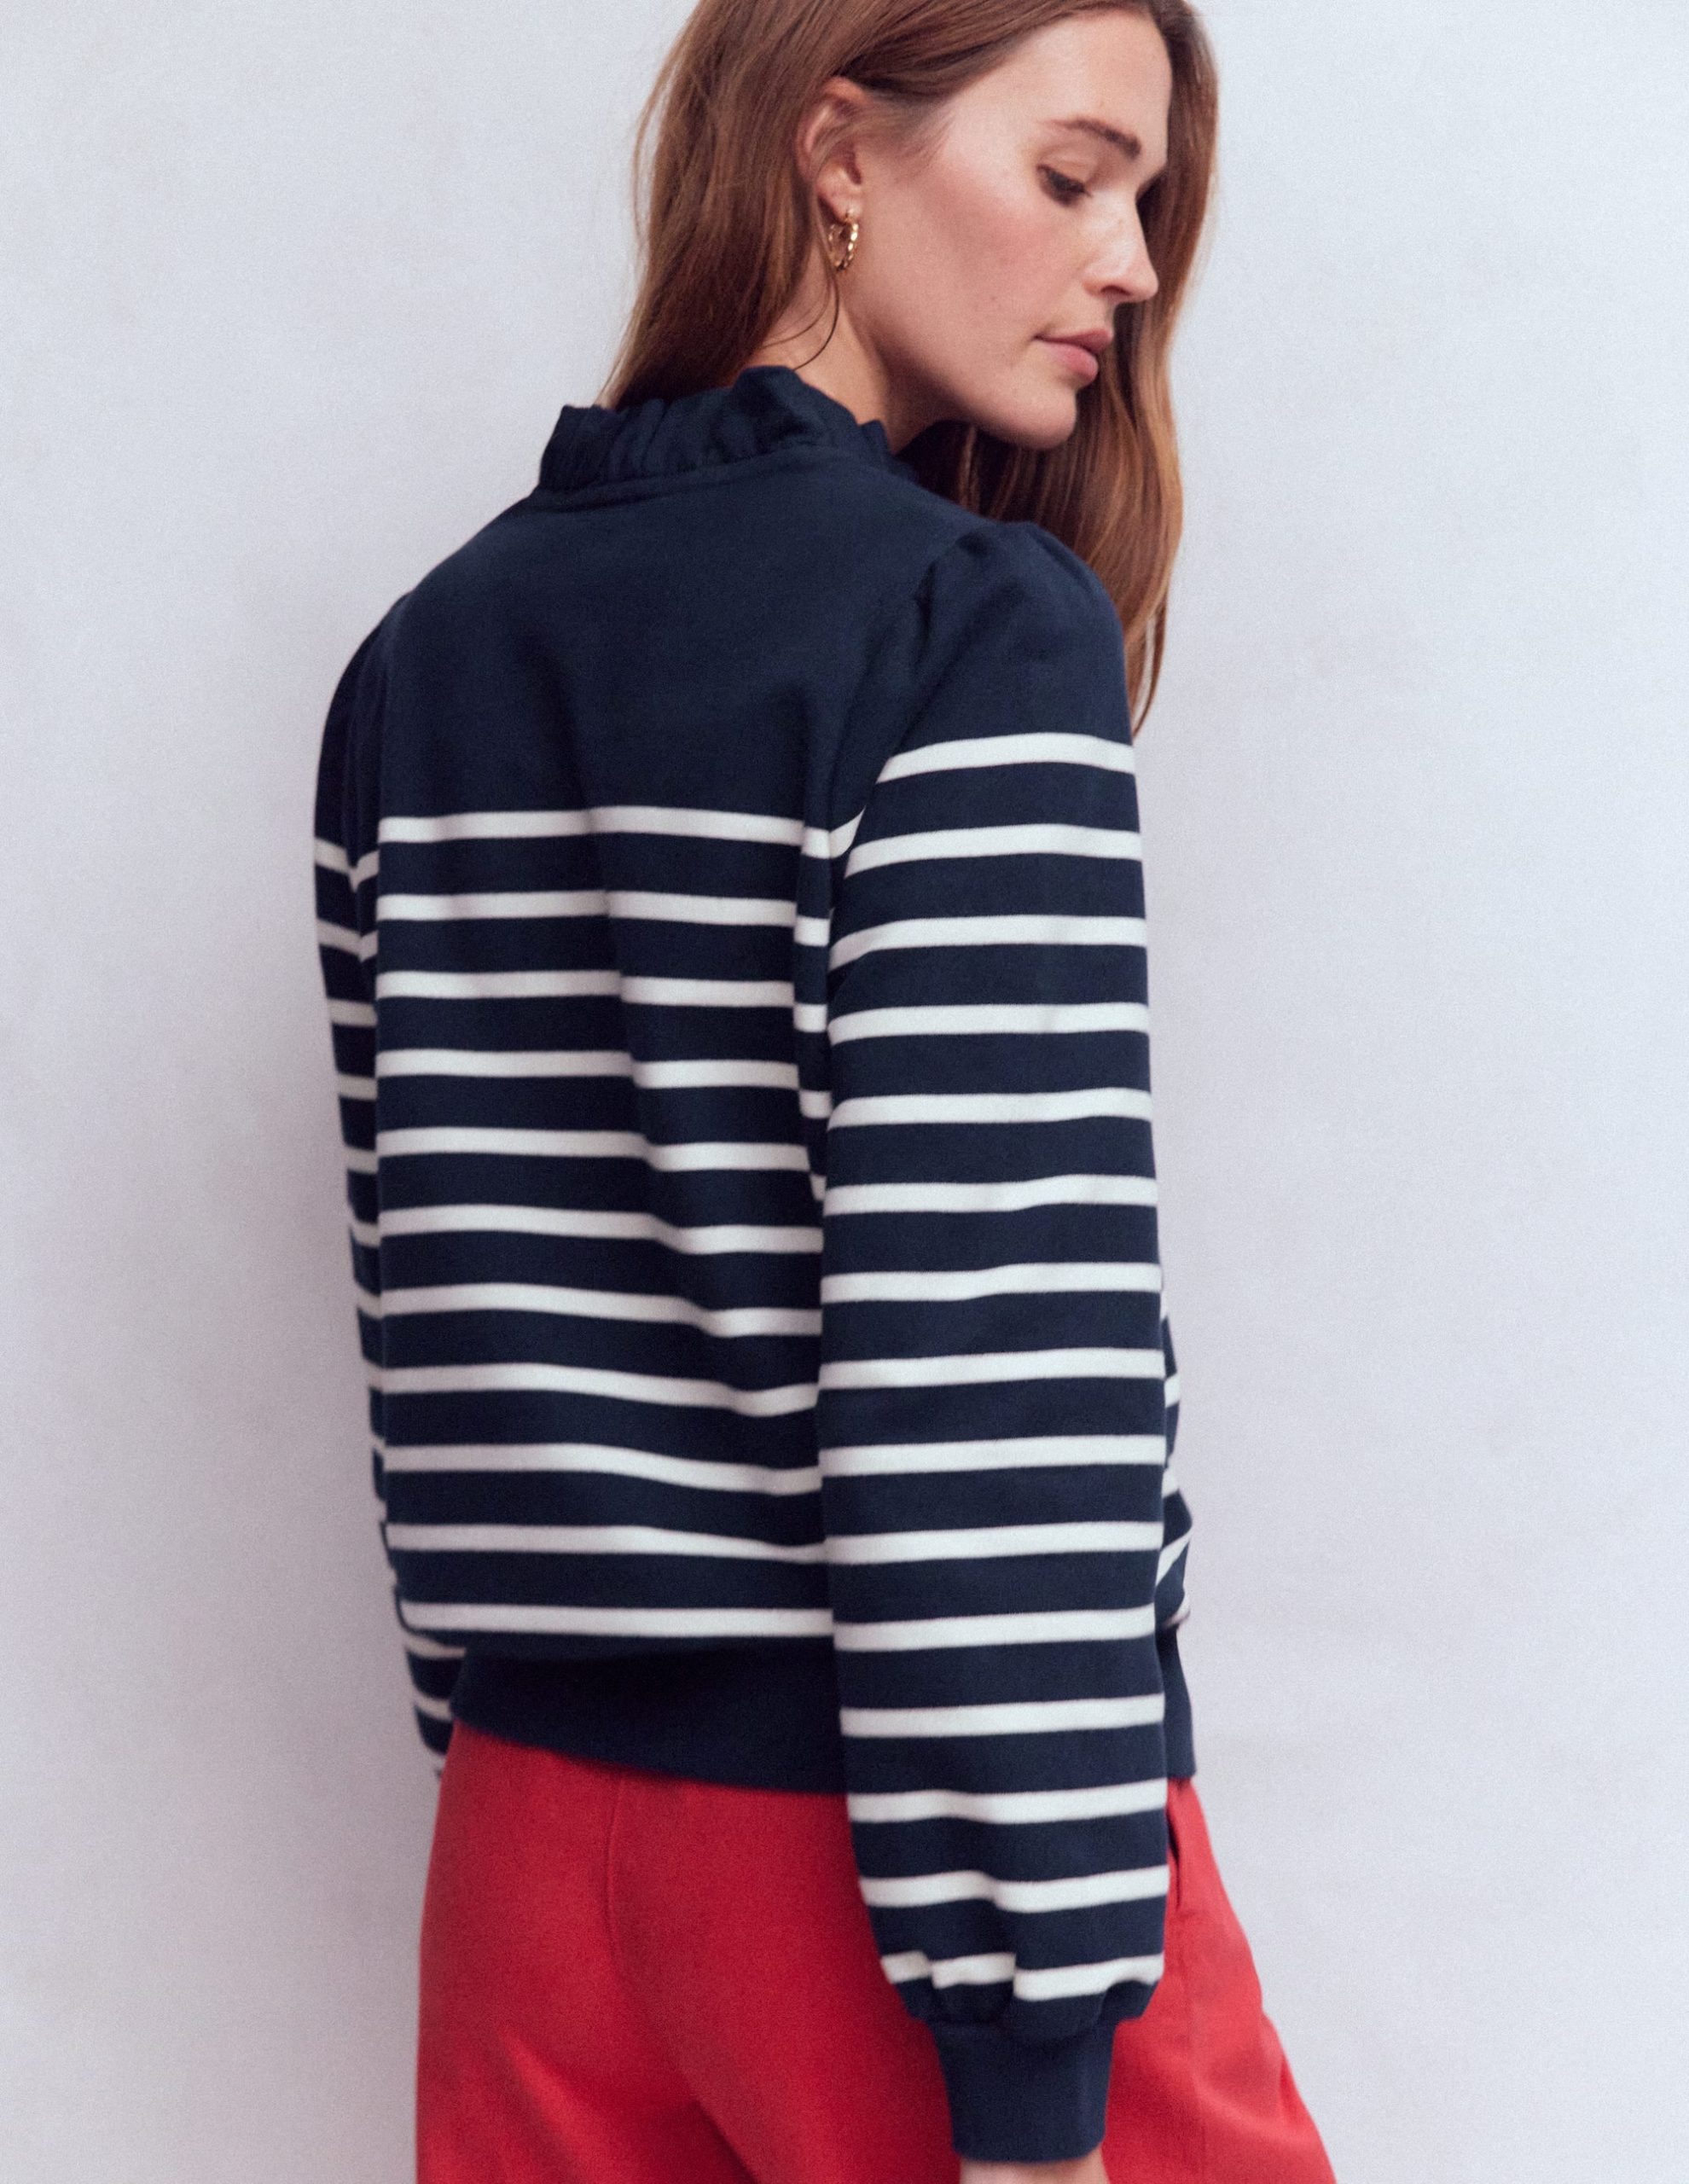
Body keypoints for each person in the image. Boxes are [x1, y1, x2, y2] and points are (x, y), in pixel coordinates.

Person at [311, 3, 1338, 2179]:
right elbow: (988, 1354)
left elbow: (425, 1299)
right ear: (839, 148)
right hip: (894, 1868)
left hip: (527, 1862)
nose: (1132, 262)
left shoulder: (422, 655)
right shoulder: (967, 628)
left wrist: (530, 1746)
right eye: (1071, 176)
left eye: (1146, 200)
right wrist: (1036, 2049)